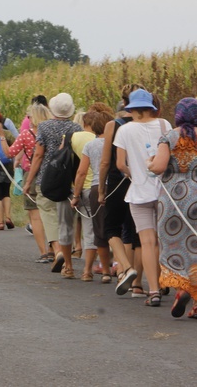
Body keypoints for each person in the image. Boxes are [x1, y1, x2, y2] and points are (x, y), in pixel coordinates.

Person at [149, 97, 197, 320]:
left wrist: (150, 163)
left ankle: (181, 289)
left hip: (175, 199)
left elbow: (159, 167)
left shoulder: (170, 137)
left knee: (174, 246)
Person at [112, 88, 171, 305]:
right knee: (165, 240)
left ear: (131, 108)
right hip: (166, 192)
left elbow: (120, 164)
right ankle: (166, 280)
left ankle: (153, 290)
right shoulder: (165, 125)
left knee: (147, 242)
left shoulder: (124, 131)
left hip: (139, 192)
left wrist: (134, 173)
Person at [24, 92, 82, 276]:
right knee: (65, 218)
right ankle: (68, 258)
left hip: (47, 178)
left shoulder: (44, 127)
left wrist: (29, 180)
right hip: (68, 179)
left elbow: (39, 154)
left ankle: (57, 250)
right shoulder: (76, 127)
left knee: (47, 213)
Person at [99, 84, 145, 297]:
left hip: (118, 182)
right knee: (139, 234)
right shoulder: (149, 123)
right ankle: (139, 285)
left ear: (123, 102)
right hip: (142, 182)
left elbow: (105, 161)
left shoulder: (113, 125)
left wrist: (101, 189)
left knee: (111, 228)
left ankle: (126, 267)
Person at [0, 103, 52, 262]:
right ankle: (55, 248)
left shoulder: (26, 135)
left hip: (32, 176)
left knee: (35, 215)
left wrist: (1, 134)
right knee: (51, 213)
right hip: (51, 175)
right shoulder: (51, 133)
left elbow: (9, 153)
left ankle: (44, 252)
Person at [71, 107, 114, 282]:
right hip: (118, 187)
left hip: (97, 187)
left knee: (100, 231)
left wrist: (75, 195)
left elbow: (81, 173)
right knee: (120, 230)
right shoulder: (116, 143)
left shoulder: (90, 145)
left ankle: (103, 271)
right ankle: (123, 267)